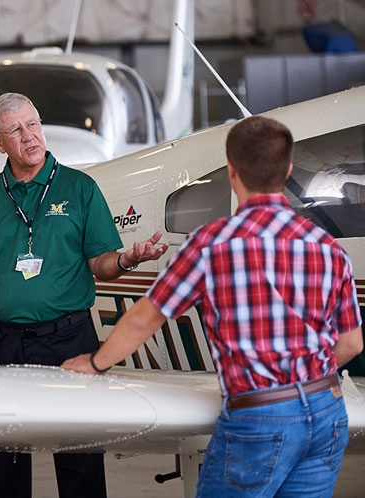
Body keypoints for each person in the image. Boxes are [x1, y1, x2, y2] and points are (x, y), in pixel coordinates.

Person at [62, 115, 364, 497]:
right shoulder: (327, 247)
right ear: (288, 169)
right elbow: (352, 344)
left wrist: (94, 363)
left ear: (232, 171)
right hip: (327, 411)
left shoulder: (212, 243)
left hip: (260, 416)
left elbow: (145, 319)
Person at [0, 92, 168, 498]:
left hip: (69, 339)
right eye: (15, 130)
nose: (29, 136)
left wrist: (128, 259)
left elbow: (101, 263)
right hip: (2, 341)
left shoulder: (80, 188)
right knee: (7, 459)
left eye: (33, 124)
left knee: (80, 459)